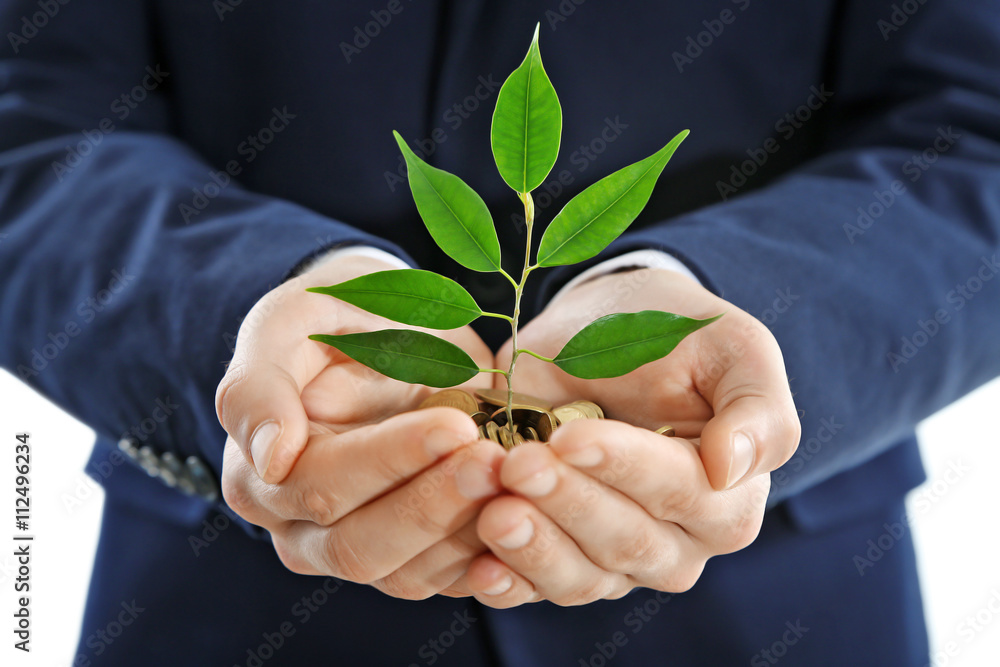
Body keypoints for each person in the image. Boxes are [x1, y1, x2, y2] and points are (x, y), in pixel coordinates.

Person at [1, 1, 997, 664]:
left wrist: (705, 303)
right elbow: (31, 117)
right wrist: (255, 297)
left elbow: (979, 131)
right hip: (229, 601)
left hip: (774, 610)